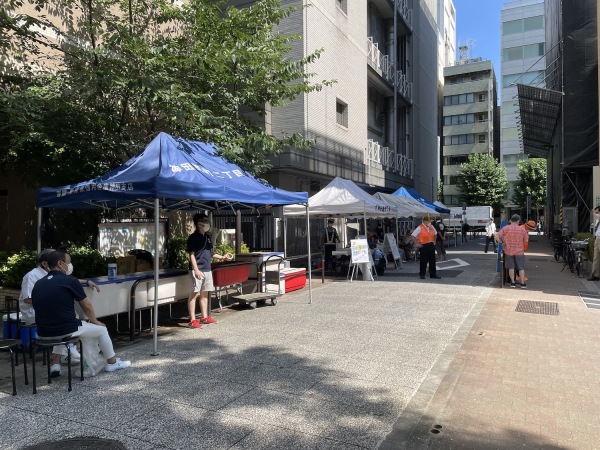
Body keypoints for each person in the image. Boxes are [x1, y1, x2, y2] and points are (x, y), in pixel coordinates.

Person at [31, 250, 130, 377]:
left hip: (42, 334)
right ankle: (112, 363)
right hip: (65, 330)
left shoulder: (39, 284)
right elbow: (86, 305)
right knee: (101, 329)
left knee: (60, 328)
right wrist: (95, 321)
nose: (70, 265)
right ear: (61, 264)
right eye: (69, 262)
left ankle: (55, 365)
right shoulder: (69, 281)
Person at [19, 248, 100, 365]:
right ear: (45, 263)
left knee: (67, 315)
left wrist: (86, 281)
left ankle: (59, 359)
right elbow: (27, 299)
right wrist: (54, 300)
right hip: (35, 312)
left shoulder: (49, 274)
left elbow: (67, 280)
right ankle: (69, 349)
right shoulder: (31, 276)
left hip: (48, 312)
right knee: (66, 317)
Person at [187, 213, 232, 329]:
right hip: (197, 269)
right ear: (198, 223)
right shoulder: (193, 238)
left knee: (205, 293)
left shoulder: (207, 236)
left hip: (207, 269)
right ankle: (192, 319)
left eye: (207, 221)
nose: (207, 223)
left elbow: (211, 253)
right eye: (205, 221)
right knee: (194, 294)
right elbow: (191, 254)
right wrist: (196, 270)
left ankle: (204, 316)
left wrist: (223, 257)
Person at [495, 214, 529, 288]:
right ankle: (522, 283)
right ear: (518, 221)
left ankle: (512, 283)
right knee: (521, 268)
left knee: (511, 267)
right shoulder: (522, 229)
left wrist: (501, 242)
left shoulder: (505, 228)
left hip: (508, 251)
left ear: (511, 220)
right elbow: (526, 240)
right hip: (519, 251)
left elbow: (496, 236)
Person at [411, 214, 441, 280]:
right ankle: (422, 274)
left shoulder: (431, 226)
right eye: (429, 221)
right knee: (423, 261)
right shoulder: (420, 227)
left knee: (432, 261)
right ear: (425, 221)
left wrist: (434, 241)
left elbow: (435, 234)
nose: (430, 222)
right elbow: (413, 235)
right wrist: (417, 243)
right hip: (424, 246)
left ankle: (433, 274)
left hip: (431, 245)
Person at [588, 206, 600, 281]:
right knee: (596, 258)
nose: (596, 214)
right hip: (597, 239)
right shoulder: (597, 221)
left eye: (597, 213)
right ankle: (595, 275)